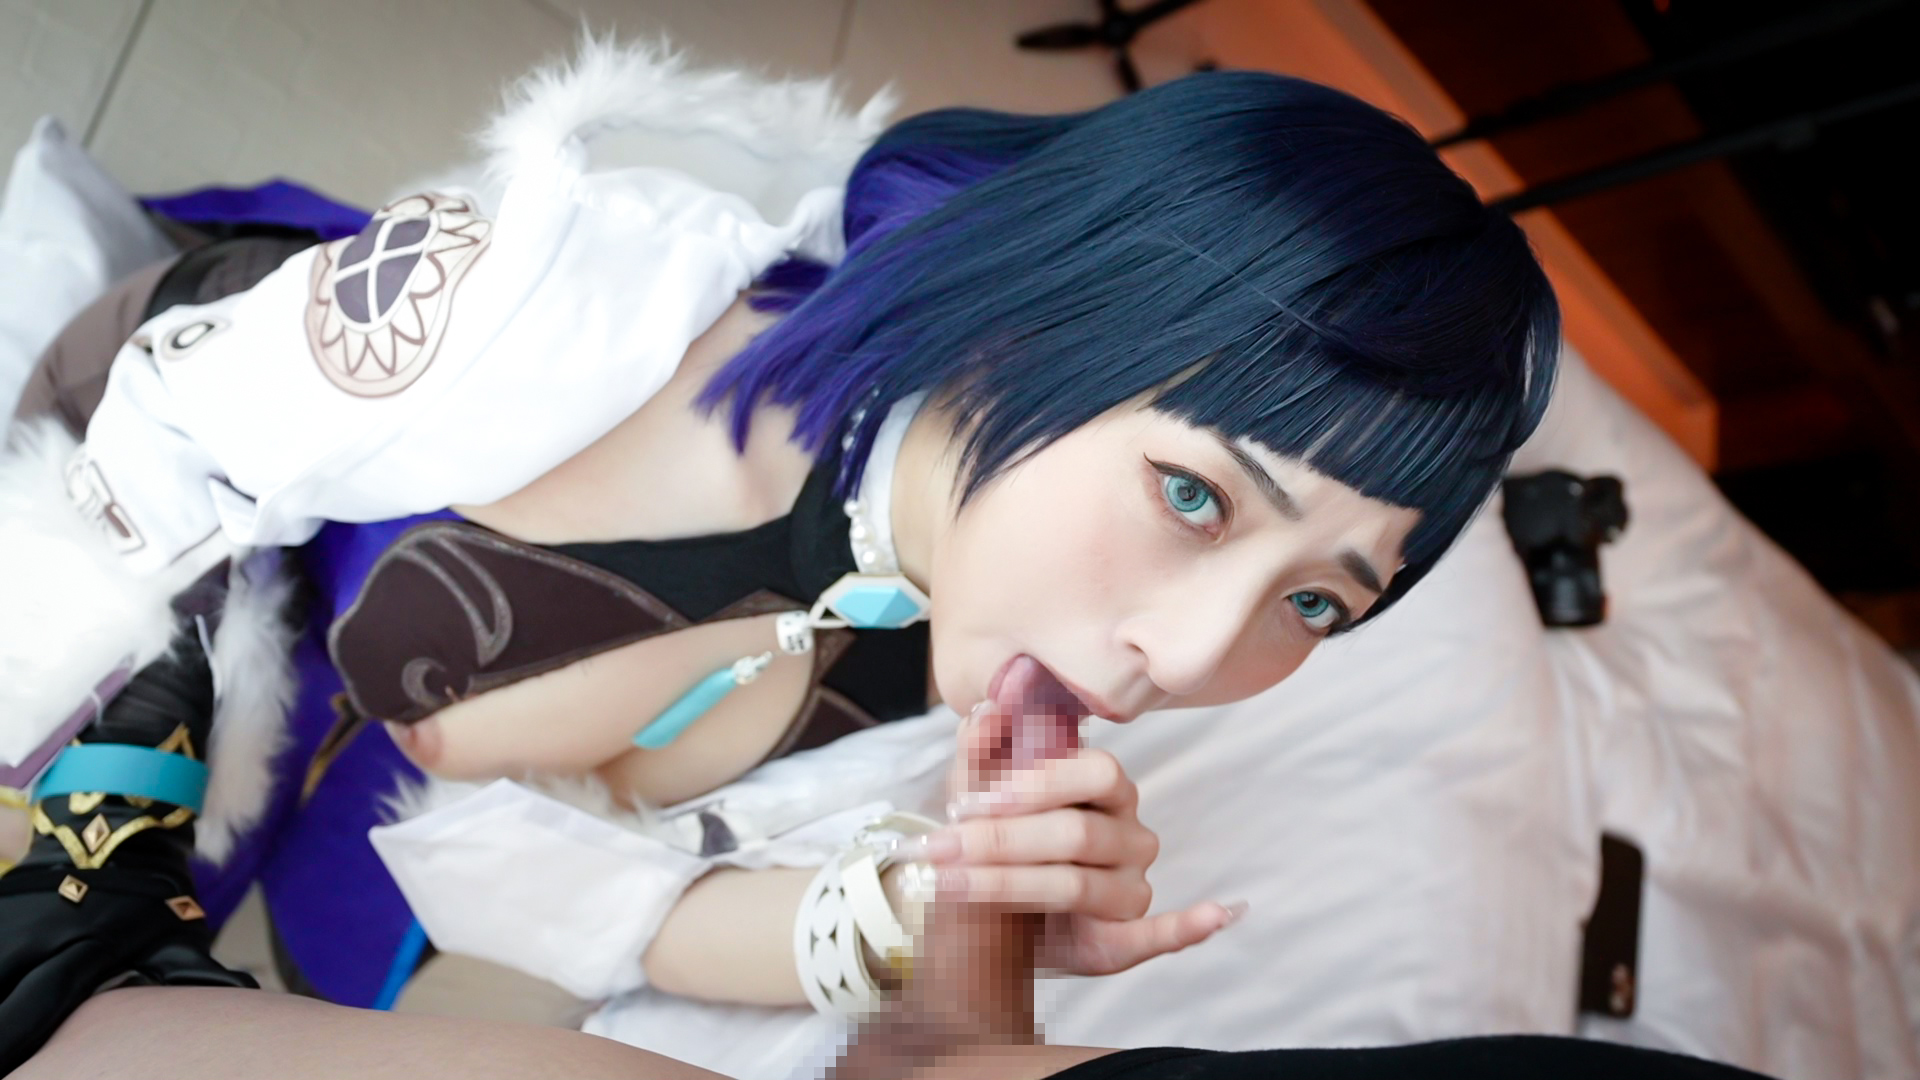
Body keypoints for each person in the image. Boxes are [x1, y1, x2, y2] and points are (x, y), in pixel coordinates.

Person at [1, 36, 1557, 1072]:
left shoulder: (971, 671)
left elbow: (582, 889)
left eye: (1315, 602)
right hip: (166, 503)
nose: (1197, 656)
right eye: (1198, 498)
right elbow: (156, 452)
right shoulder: (569, 302)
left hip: (350, 782)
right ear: (1044, 319)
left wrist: (930, 924)